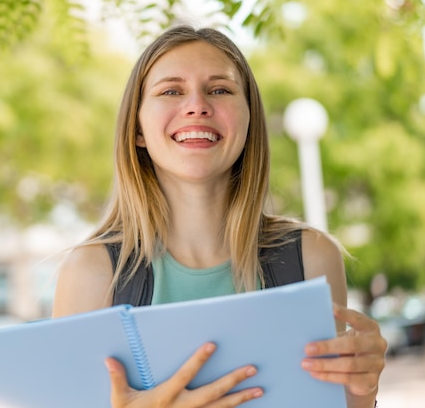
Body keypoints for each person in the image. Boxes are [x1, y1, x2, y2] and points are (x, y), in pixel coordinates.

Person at [52, 25, 387, 408]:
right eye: (171, 91)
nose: (197, 105)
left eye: (220, 89)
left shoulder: (311, 257)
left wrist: (363, 392)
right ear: (138, 129)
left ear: (249, 121)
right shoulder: (91, 271)